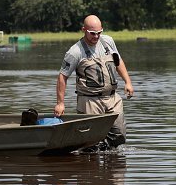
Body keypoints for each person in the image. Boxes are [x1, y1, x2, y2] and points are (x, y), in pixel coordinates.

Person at [54, 14, 134, 151]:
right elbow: (63, 76)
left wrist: (128, 82)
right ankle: (91, 167)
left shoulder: (108, 41)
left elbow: (118, 61)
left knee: (119, 135)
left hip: (112, 98)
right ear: (84, 30)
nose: (96, 37)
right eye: (92, 33)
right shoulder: (74, 52)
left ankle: (110, 163)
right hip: (90, 101)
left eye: (99, 33)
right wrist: (60, 103)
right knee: (90, 143)